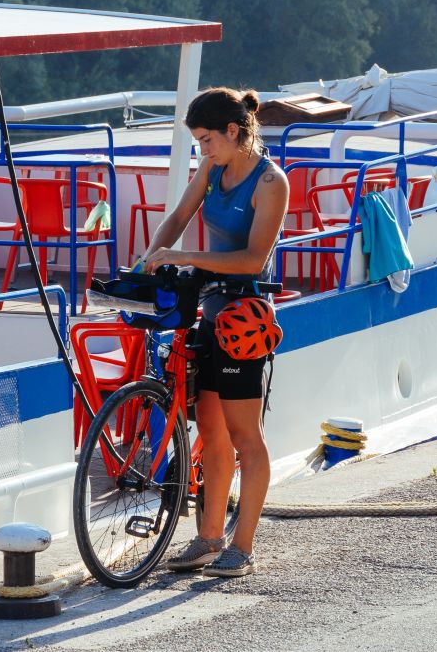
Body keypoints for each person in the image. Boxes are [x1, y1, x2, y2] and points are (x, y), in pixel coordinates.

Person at [141, 87, 288, 577]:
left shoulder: (271, 183)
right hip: (209, 306)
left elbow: (252, 258)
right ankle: (207, 538)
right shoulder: (213, 169)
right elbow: (179, 217)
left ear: (233, 131)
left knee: (246, 436)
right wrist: (147, 263)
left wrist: (184, 257)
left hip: (244, 316)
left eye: (207, 140)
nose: (203, 150)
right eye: (198, 142)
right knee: (210, 430)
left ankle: (241, 547)